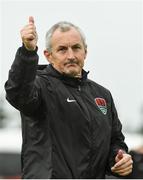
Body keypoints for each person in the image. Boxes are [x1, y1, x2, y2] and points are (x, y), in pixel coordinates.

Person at [5, 16, 133, 179]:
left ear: (85, 52)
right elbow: (18, 93)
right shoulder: (40, 86)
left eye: (76, 48)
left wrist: (119, 158)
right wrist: (27, 52)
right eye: (62, 49)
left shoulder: (102, 95)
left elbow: (115, 141)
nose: (71, 55)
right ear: (48, 55)